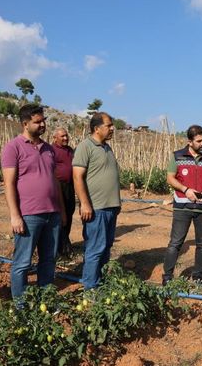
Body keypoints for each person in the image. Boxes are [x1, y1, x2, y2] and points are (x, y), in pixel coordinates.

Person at [1, 104, 66, 300]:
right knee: (22, 262)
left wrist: (61, 211)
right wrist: (15, 216)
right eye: (37, 122)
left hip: (52, 213)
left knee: (49, 259)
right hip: (29, 215)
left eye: (43, 120)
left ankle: (44, 300)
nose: (43, 124)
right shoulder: (13, 148)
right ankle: (21, 304)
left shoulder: (48, 149)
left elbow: (54, 181)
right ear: (25, 124)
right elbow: (9, 183)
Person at [162, 125, 202, 286]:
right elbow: (170, 178)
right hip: (182, 206)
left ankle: (198, 275)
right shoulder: (177, 156)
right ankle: (167, 276)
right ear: (189, 141)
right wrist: (185, 189)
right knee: (176, 243)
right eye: (199, 141)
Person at [72, 113, 121, 290]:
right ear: (96, 128)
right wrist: (84, 204)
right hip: (96, 208)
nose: (112, 128)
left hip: (110, 207)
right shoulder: (86, 146)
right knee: (95, 249)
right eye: (109, 125)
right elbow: (77, 177)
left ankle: (100, 283)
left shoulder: (107, 148)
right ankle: (90, 289)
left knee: (106, 247)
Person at [52, 127, 75, 259]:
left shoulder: (70, 150)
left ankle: (65, 242)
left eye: (66, 135)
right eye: (62, 136)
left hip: (69, 186)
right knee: (60, 215)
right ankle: (60, 246)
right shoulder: (52, 150)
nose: (66, 138)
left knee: (69, 212)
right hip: (57, 186)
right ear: (55, 138)